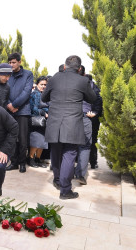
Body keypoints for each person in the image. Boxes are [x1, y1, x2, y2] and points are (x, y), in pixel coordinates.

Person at [41, 55, 97, 199]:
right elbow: (92, 98)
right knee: (70, 153)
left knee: (56, 151)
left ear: (64, 66)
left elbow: (44, 98)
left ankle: (57, 180)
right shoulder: (83, 80)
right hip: (72, 123)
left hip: (54, 121)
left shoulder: (53, 78)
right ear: (79, 69)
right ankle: (65, 190)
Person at [6, 52, 33, 173]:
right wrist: (9, 105)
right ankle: (14, 162)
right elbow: (3, 90)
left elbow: (27, 92)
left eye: (13, 62)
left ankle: (22, 162)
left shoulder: (28, 74)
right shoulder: (7, 73)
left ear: (19, 62)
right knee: (11, 138)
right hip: (9, 110)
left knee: (22, 139)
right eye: (10, 62)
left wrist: (15, 105)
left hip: (23, 111)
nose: (11, 65)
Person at [28, 76, 49, 168]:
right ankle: (30, 158)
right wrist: (44, 112)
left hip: (44, 121)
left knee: (43, 141)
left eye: (45, 85)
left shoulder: (46, 95)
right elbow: (33, 108)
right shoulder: (35, 94)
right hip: (37, 121)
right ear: (37, 85)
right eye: (41, 84)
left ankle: (38, 159)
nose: (43, 86)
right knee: (36, 140)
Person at [86, 74, 103, 169]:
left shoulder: (96, 90)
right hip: (86, 116)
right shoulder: (90, 88)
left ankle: (93, 161)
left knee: (93, 140)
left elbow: (99, 104)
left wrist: (95, 112)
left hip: (94, 119)